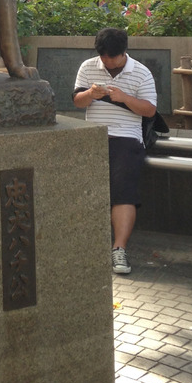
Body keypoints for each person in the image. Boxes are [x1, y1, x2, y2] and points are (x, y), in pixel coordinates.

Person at [73, 27, 157, 275]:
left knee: (123, 190)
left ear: (123, 53)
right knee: (83, 185)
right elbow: (77, 101)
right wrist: (90, 93)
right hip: (93, 135)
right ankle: (82, 243)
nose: (107, 61)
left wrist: (124, 98)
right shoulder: (88, 67)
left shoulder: (141, 72)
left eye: (112, 57)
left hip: (126, 138)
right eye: (103, 57)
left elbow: (150, 110)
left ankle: (118, 248)